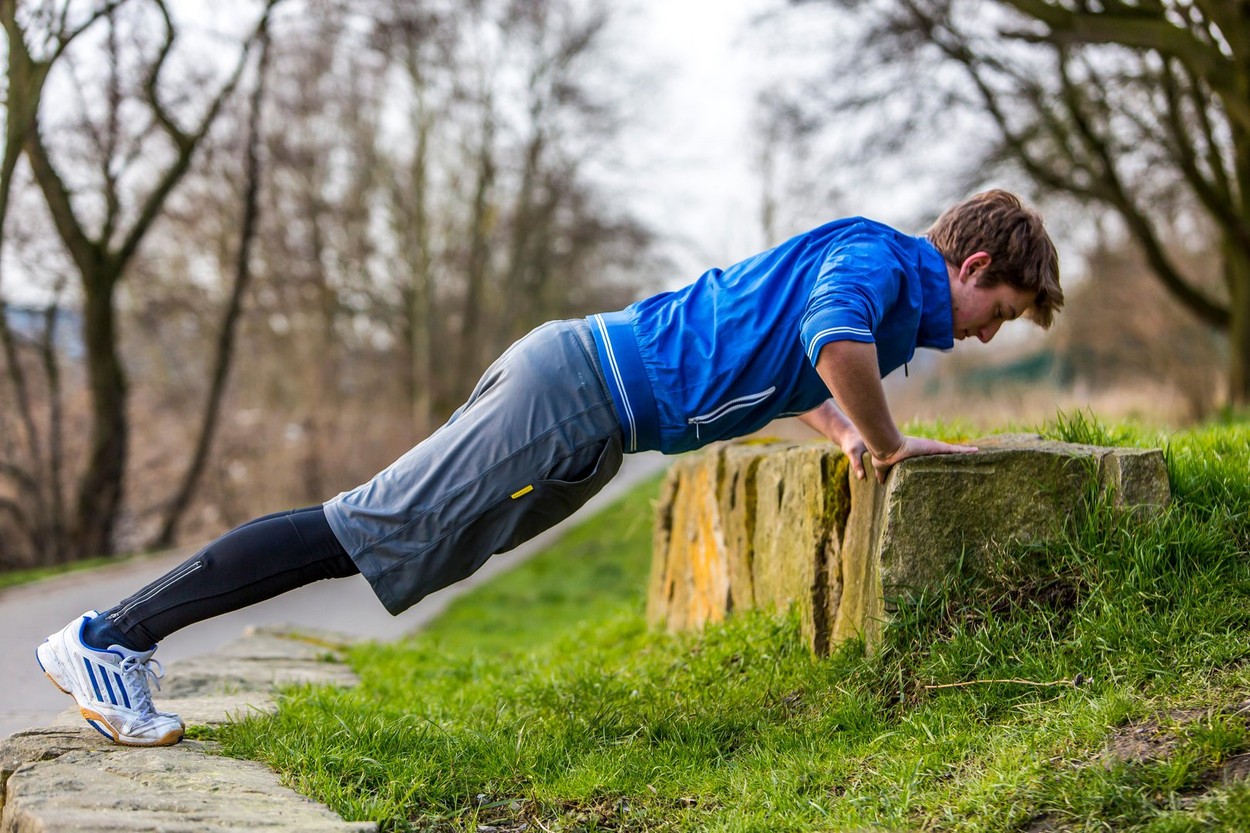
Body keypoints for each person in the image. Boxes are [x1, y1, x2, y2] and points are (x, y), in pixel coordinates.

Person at [36, 188, 1062, 746]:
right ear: (969, 267)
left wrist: (839, 432)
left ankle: (118, 638)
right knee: (364, 526)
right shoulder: (881, 266)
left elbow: (789, 359)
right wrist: (885, 444)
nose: (983, 336)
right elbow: (829, 337)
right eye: (999, 313)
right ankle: (107, 636)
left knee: (387, 540)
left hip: (586, 402)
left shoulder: (876, 276)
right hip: (574, 387)